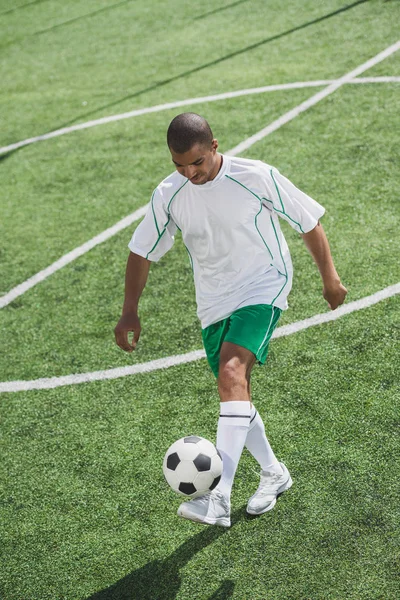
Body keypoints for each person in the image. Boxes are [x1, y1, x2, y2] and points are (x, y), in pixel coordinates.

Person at [114, 113, 347, 528]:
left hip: (264, 284)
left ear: (214, 146)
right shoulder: (170, 193)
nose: (190, 173)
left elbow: (307, 222)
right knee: (233, 392)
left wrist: (329, 278)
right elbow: (141, 251)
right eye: (179, 165)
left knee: (232, 373)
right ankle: (274, 473)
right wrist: (130, 309)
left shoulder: (255, 176)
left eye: (197, 163)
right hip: (213, 300)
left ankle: (217, 498)